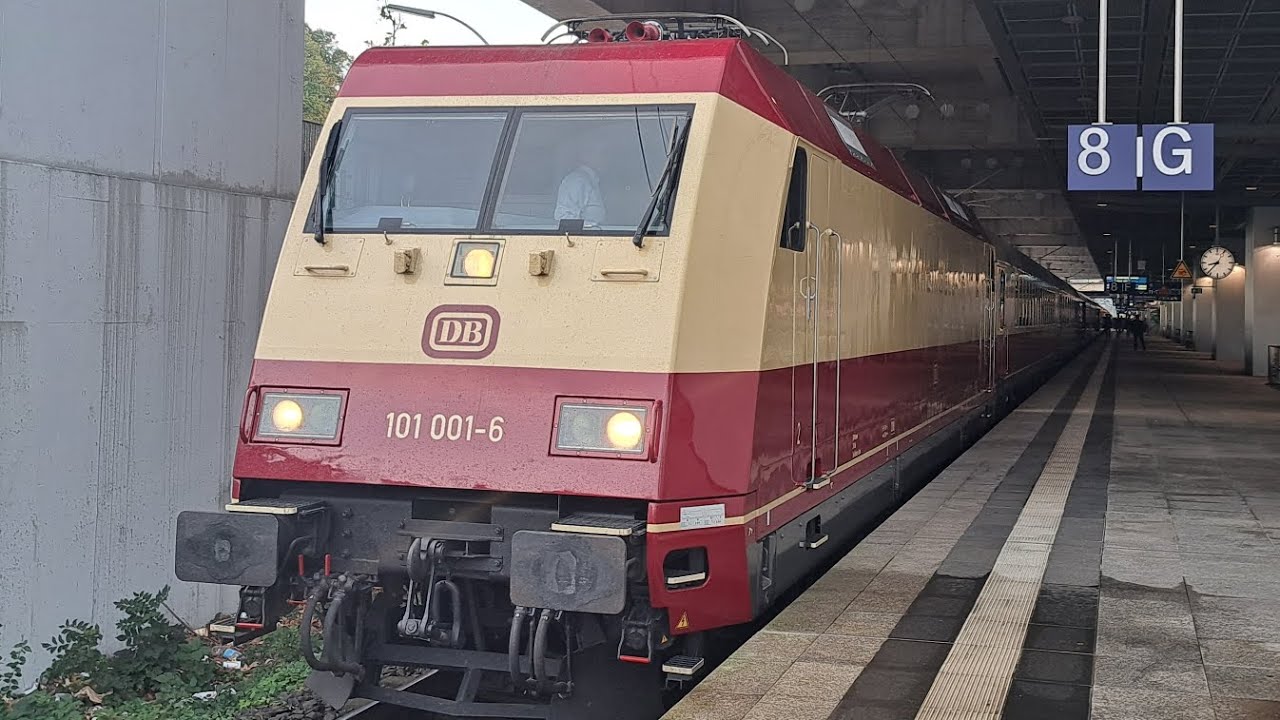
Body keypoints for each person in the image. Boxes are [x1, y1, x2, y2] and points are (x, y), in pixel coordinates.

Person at [554, 141, 607, 229]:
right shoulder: (577, 181)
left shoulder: (592, 180)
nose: (606, 158)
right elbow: (564, 218)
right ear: (586, 155)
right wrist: (589, 228)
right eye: (603, 153)